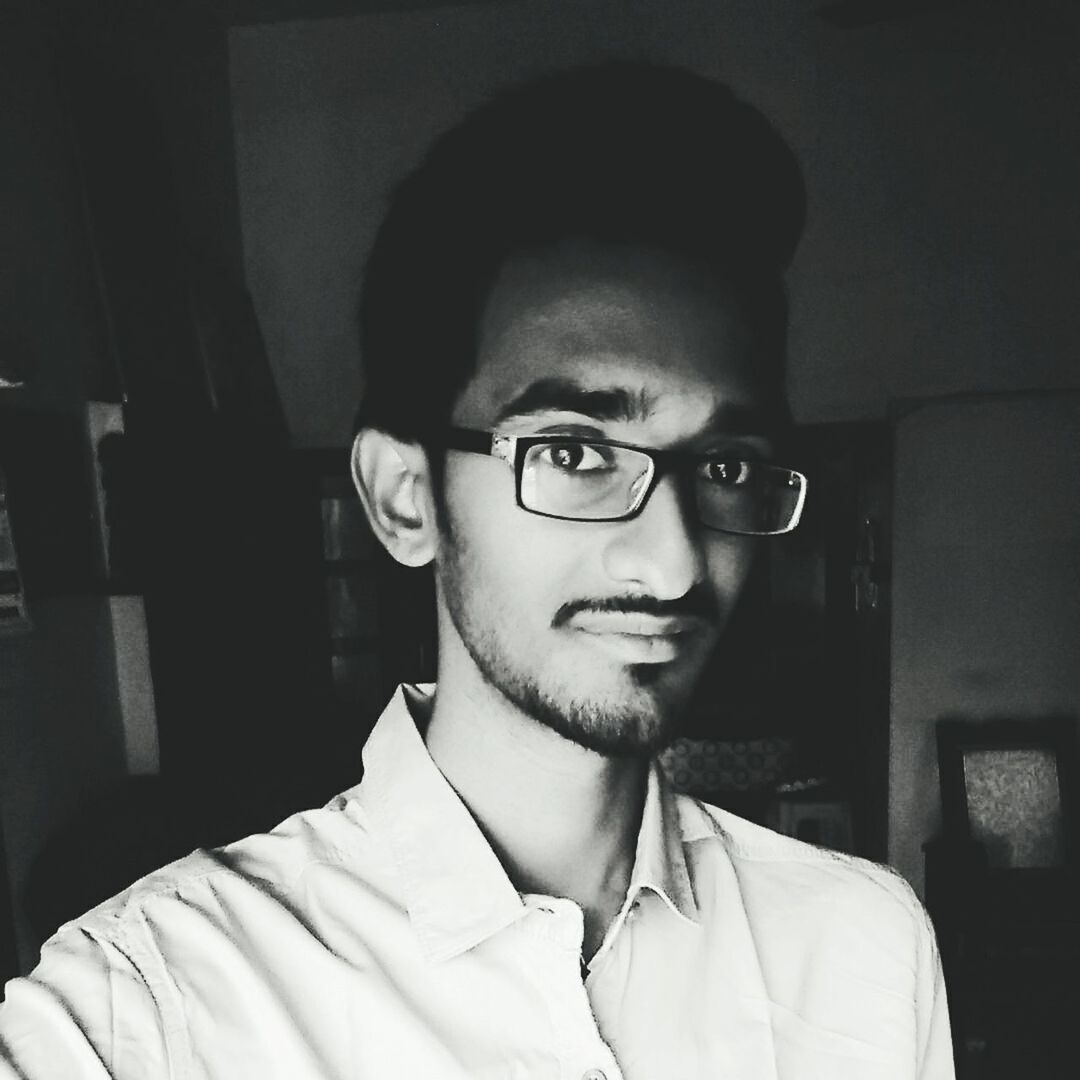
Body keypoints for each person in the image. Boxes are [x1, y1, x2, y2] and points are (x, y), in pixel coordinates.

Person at [0, 61, 954, 1078]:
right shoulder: (140, 1012)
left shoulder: (865, 947)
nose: (674, 558)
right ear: (406, 499)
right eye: (577, 452)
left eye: (725, 466)